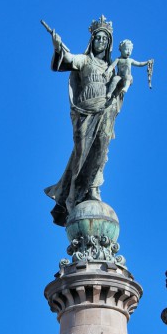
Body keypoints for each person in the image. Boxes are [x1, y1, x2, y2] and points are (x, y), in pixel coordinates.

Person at [44, 16, 123, 227]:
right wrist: (57, 46)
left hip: (105, 110)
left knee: (101, 151)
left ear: (109, 45)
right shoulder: (85, 60)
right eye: (98, 38)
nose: (101, 43)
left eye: (105, 40)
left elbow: (119, 89)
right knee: (81, 154)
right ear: (92, 41)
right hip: (84, 112)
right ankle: (72, 193)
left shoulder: (111, 67)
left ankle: (94, 188)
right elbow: (67, 60)